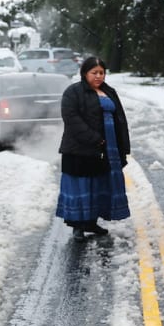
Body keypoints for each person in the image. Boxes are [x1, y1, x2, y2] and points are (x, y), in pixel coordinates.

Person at [55, 56, 131, 238]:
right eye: (94, 73)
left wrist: (123, 146)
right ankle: (78, 226)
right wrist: (95, 139)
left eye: (101, 73)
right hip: (80, 149)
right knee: (81, 186)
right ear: (84, 73)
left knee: (98, 185)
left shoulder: (109, 92)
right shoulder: (73, 92)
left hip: (107, 147)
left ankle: (92, 222)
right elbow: (72, 119)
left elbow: (120, 118)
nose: (98, 76)